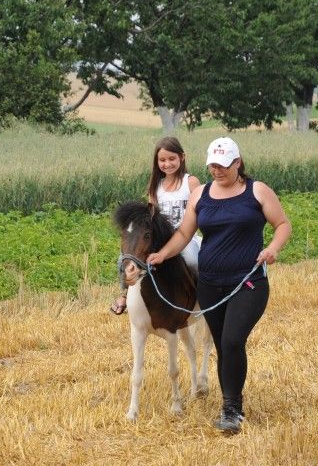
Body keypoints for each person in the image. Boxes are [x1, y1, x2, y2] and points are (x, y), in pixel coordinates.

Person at [147, 137, 291, 434]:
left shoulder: (257, 191)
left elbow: (282, 224)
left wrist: (273, 248)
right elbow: (185, 233)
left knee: (232, 341)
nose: (217, 171)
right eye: (213, 165)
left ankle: (232, 411)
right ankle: (230, 403)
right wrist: (162, 254)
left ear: (238, 163)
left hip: (248, 281)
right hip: (211, 284)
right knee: (224, 347)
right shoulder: (201, 194)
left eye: (224, 165)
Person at [110, 136, 201, 315]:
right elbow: (149, 218)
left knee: (191, 258)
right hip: (161, 239)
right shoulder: (156, 186)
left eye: (172, 159)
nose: (167, 164)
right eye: (162, 160)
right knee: (126, 258)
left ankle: (200, 298)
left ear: (182, 157)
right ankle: (126, 294)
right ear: (156, 161)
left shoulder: (190, 182)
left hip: (186, 238)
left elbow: (199, 212)